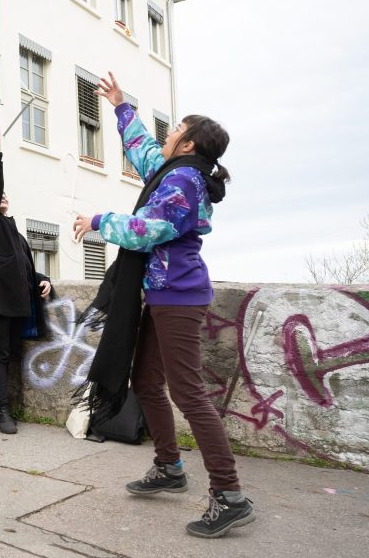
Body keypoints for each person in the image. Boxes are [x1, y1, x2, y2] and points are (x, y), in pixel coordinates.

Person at [72, 71, 251, 539]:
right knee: (146, 381)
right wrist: (120, 107)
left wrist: (98, 220)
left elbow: (148, 229)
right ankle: (169, 466)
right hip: (161, 293)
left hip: (178, 296)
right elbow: (145, 152)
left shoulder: (184, 182)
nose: (167, 134)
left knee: (188, 393)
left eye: (175, 129)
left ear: (188, 144)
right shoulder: (174, 172)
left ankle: (230, 495)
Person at [0, 125, 53, 435]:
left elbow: (24, 267)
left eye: (5, 196)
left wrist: (44, 279)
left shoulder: (16, 234)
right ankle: (1, 410)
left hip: (17, 304)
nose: (2, 197)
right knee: (0, 356)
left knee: (7, 356)